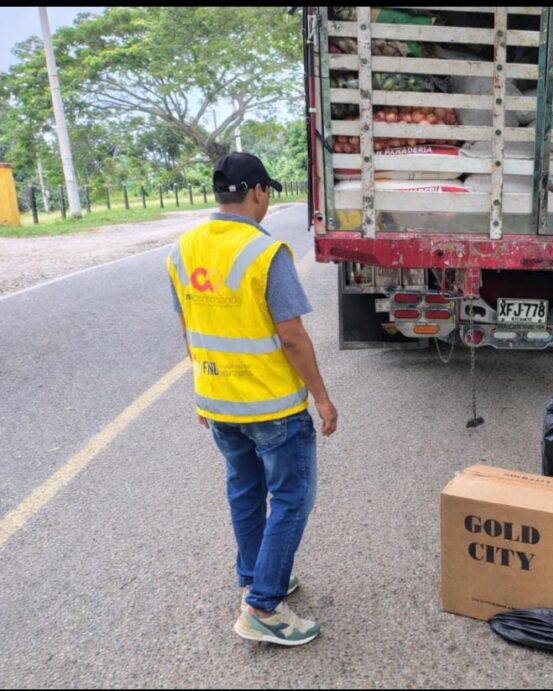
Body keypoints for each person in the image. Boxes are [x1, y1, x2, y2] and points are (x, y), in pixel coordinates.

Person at [166, 152, 338, 647]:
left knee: (244, 490)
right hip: (271, 406)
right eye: (267, 192)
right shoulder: (265, 252)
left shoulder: (182, 248)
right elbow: (292, 337)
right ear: (258, 191)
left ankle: (256, 576)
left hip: (219, 401)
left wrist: (203, 391)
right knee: (291, 499)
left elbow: (189, 327)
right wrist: (322, 399)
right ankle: (263, 607)